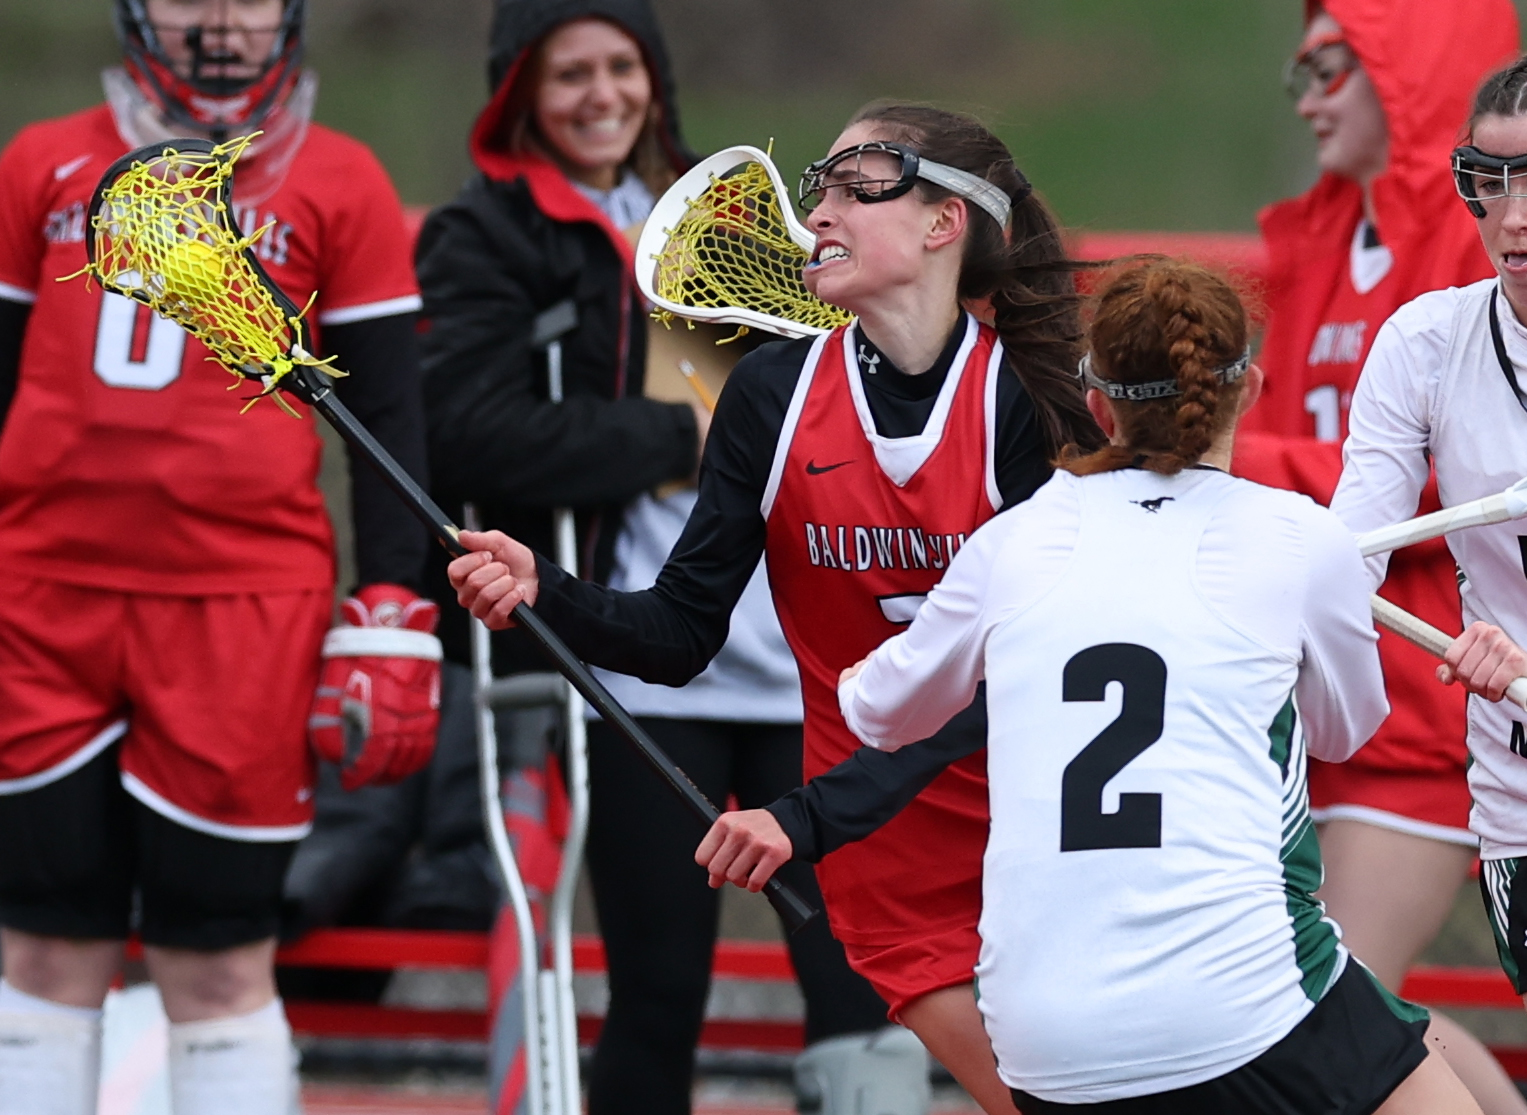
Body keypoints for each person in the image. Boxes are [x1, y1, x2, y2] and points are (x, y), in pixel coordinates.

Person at [449, 101, 1106, 1115]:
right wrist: (549, 588)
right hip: (884, 855)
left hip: (1034, 823)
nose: (820, 209)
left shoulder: (1021, 398)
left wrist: (810, 814)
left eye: (856, 183)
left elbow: (1040, 674)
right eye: (820, 183)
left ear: (944, 224)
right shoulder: (771, 393)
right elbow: (677, 635)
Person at [834, 257, 1479, 1115]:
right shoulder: (1300, 538)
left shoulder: (1014, 540)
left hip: (1036, 1037)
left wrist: (851, 669)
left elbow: (878, 712)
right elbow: (1343, 732)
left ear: (1097, 400)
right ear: (1246, 389)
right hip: (1239, 999)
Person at [413, 3, 893, 1112]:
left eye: (621, 66)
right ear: (518, 89)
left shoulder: (727, 216)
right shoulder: (490, 233)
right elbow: (463, 426)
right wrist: (684, 436)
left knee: (854, 971)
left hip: (800, 653)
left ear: (655, 76)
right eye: (567, 72)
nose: (600, 95)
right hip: (641, 654)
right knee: (660, 982)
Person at [0, 2, 436, 1113]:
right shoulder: (41, 162)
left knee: (219, 953)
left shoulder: (341, 176)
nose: (223, 21)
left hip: (242, 603)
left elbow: (387, 413)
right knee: (43, 948)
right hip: (42, 593)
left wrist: (389, 600)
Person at [1230, 3, 1524, 1108]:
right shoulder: (1317, 240)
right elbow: (1342, 492)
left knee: (1330, 999)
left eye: (1331, 64)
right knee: (1345, 998)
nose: (1305, 94)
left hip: (1434, 691)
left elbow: (1465, 485)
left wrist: (1236, 463)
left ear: (1405, 66)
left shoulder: (1470, 239)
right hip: (1328, 680)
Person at [1332, 55, 1527, 1017]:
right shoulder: (1427, 342)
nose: (1514, 218)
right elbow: (1344, 558)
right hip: (1518, 785)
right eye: (1488, 182)